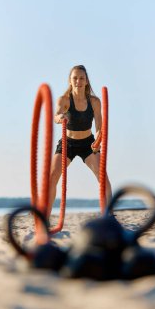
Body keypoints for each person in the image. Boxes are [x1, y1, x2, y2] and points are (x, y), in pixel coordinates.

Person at [48, 65, 112, 217]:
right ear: (70, 81)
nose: (78, 81)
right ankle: (45, 217)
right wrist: (60, 118)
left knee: (102, 176)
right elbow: (56, 115)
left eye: (82, 78)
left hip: (88, 143)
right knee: (52, 176)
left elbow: (99, 126)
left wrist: (98, 139)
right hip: (67, 142)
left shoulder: (95, 102)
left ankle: (109, 216)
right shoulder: (64, 100)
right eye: (75, 78)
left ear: (87, 81)